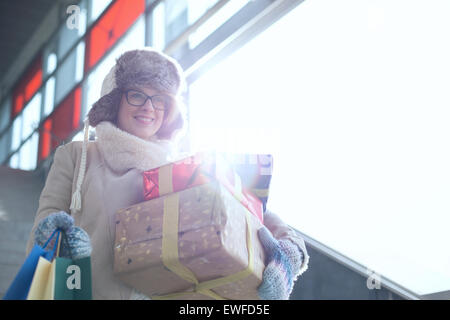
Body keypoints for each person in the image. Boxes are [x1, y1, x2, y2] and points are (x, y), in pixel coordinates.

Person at [25, 47, 309, 300]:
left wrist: (288, 253)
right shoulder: (77, 157)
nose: (149, 107)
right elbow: (43, 228)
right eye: (136, 94)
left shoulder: (180, 169)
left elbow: (251, 210)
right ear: (114, 101)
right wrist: (54, 242)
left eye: (159, 99)